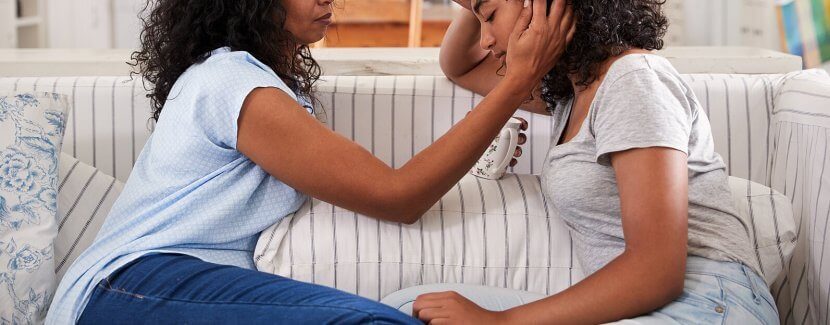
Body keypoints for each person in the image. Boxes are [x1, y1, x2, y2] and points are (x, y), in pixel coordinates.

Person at [45, 0, 574, 323]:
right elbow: (399, 196)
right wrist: (519, 79)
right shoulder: (233, 83)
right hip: (129, 287)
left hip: (169, 286)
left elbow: (457, 64)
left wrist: (478, 12)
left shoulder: (268, 85)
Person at [409, 0, 780, 323]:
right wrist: (480, 8)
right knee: (412, 308)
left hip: (709, 301)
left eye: (489, 16)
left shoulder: (633, 80)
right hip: (647, 307)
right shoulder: (572, 92)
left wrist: (501, 322)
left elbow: (657, 273)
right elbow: (459, 67)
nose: (485, 39)